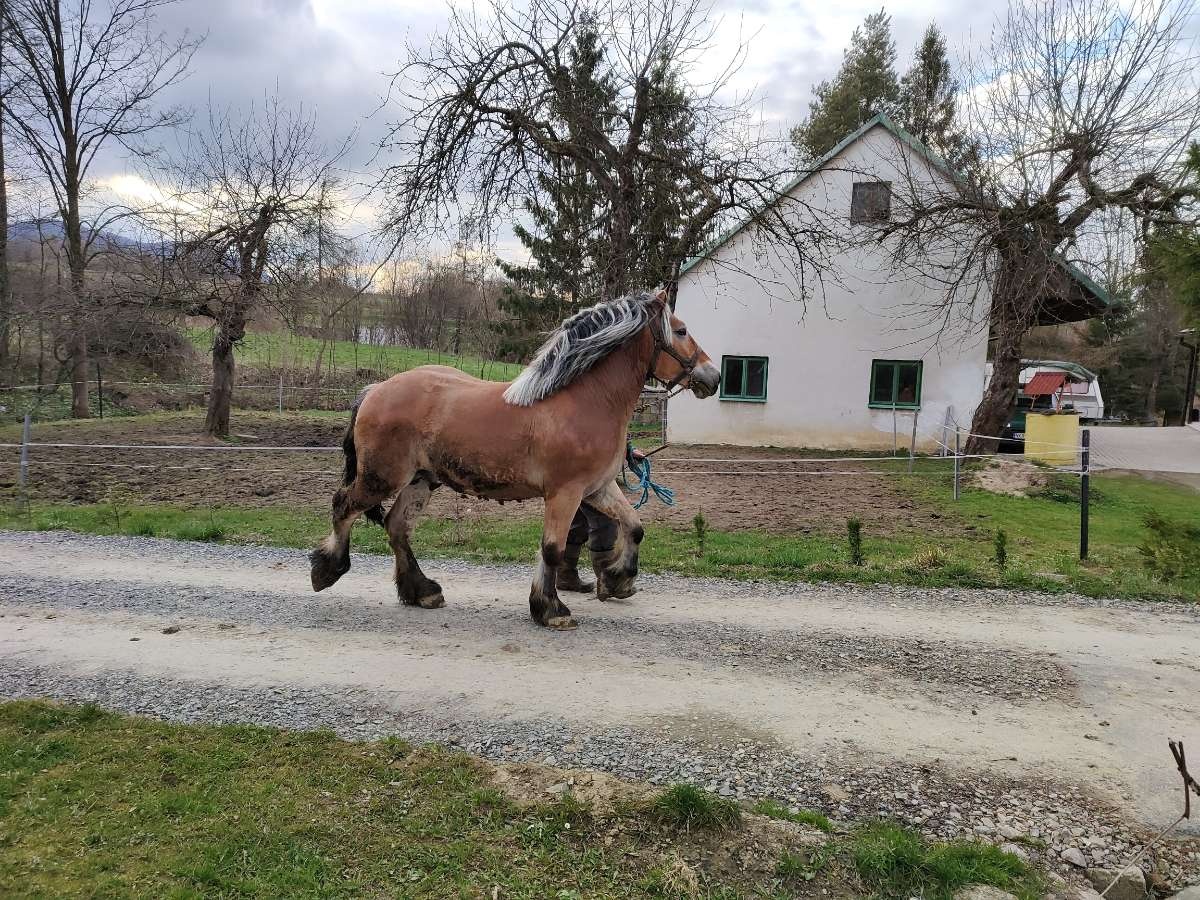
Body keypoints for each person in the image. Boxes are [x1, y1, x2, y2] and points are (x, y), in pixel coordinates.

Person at [556, 447, 647, 593]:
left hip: (574, 465)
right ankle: (608, 581)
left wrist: (628, 449)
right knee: (604, 519)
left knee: (578, 517)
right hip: (589, 465)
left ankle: (565, 574)